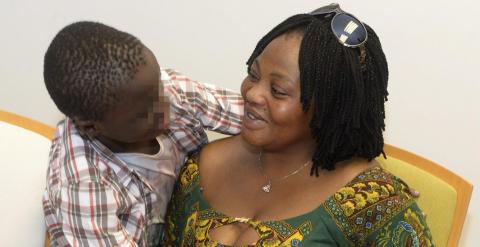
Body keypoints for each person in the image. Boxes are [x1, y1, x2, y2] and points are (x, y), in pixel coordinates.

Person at [164, 4, 435, 246]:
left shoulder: (374, 203)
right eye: (253, 75)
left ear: (329, 108)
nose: (252, 93)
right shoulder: (201, 167)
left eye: (278, 91)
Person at [42, 21, 243, 246]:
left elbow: (253, 116)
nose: (165, 113)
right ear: (92, 128)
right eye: (142, 116)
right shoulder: (85, 189)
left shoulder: (152, 90)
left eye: (159, 91)